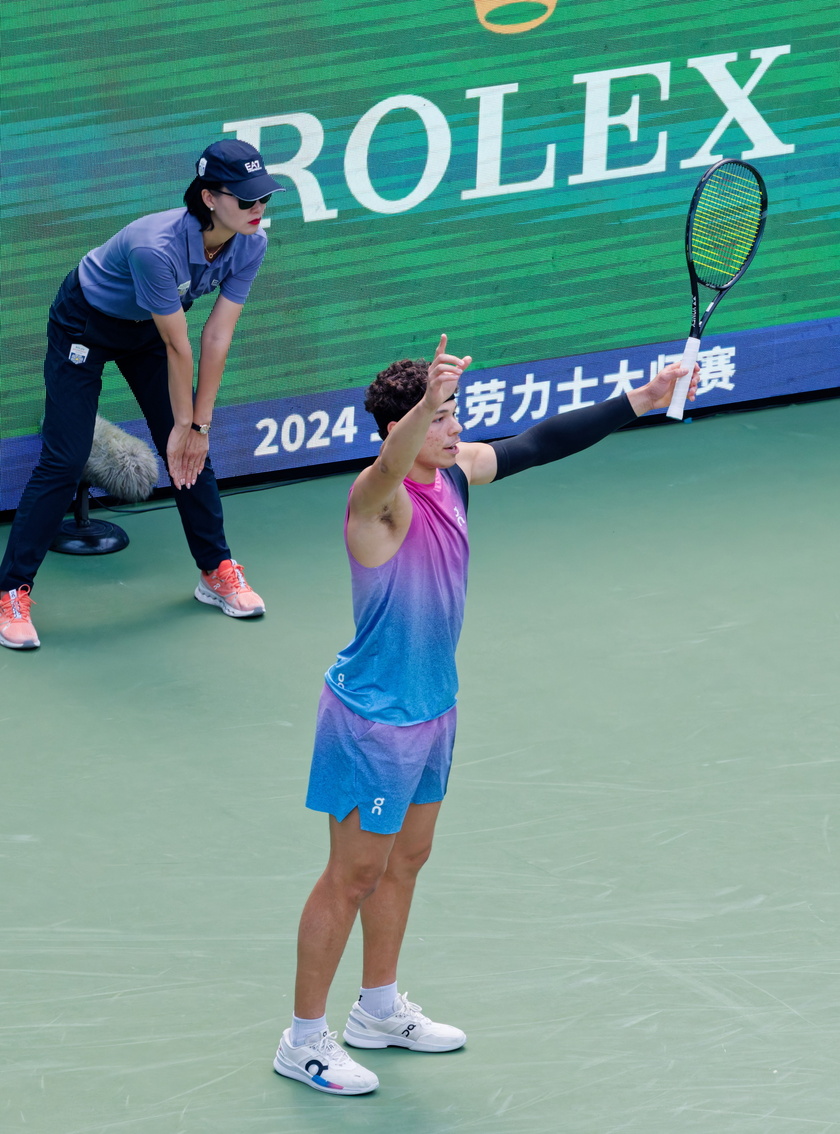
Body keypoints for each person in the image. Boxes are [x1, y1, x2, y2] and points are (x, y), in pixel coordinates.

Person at [272, 335, 699, 1094]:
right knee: (352, 874)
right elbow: (393, 461)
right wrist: (424, 408)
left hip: (435, 707)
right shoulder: (378, 499)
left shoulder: (458, 476)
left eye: (454, 413)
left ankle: (377, 1010)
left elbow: (538, 443)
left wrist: (640, 398)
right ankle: (303, 1039)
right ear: (399, 431)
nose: (454, 428)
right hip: (375, 721)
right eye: (440, 419)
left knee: (406, 861)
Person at [0, 140, 283, 650]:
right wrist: (185, 427)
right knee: (64, 459)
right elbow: (180, 346)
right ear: (209, 197)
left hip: (149, 331)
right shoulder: (156, 248)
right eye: (246, 200)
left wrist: (196, 429)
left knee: (193, 453)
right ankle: (11, 592)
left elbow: (216, 336)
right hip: (85, 323)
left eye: (263, 198)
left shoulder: (251, 243)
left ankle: (216, 570)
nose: (258, 209)